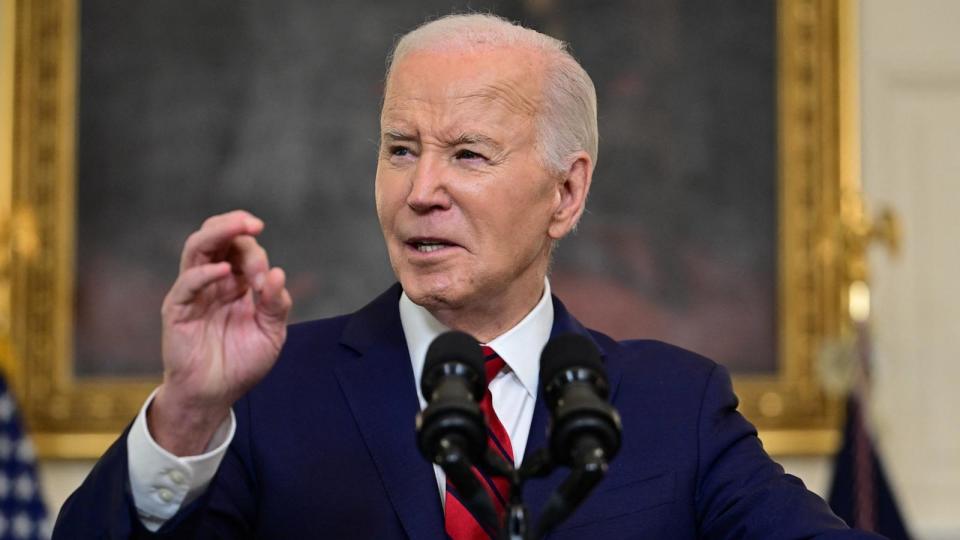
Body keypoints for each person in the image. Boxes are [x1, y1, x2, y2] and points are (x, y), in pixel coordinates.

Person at [54, 13, 882, 539]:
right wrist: (188, 419)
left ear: (567, 191)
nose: (421, 193)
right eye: (401, 150)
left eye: (468, 155)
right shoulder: (266, 393)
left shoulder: (676, 408)